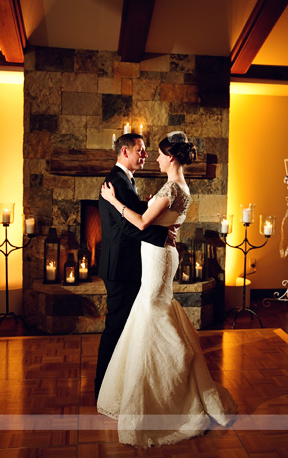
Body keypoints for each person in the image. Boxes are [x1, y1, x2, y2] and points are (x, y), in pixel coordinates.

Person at [97, 132, 236, 448]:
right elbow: (163, 221)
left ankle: (162, 396)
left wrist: (114, 201)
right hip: (162, 256)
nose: (155, 159)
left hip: (157, 259)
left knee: (151, 317)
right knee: (154, 314)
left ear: (171, 157)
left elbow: (144, 223)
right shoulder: (181, 188)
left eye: (159, 154)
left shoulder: (171, 187)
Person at [95, 133, 173, 399]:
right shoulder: (115, 181)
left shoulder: (124, 180)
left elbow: (130, 211)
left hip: (124, 265)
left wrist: (146, 204)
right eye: (140, 150)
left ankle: (116, 385)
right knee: (116, 327)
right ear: (125, 152)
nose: (146, 155)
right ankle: (103, 389)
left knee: (124, 326)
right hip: (120, 268)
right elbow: (127, 228)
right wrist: (164, 236)